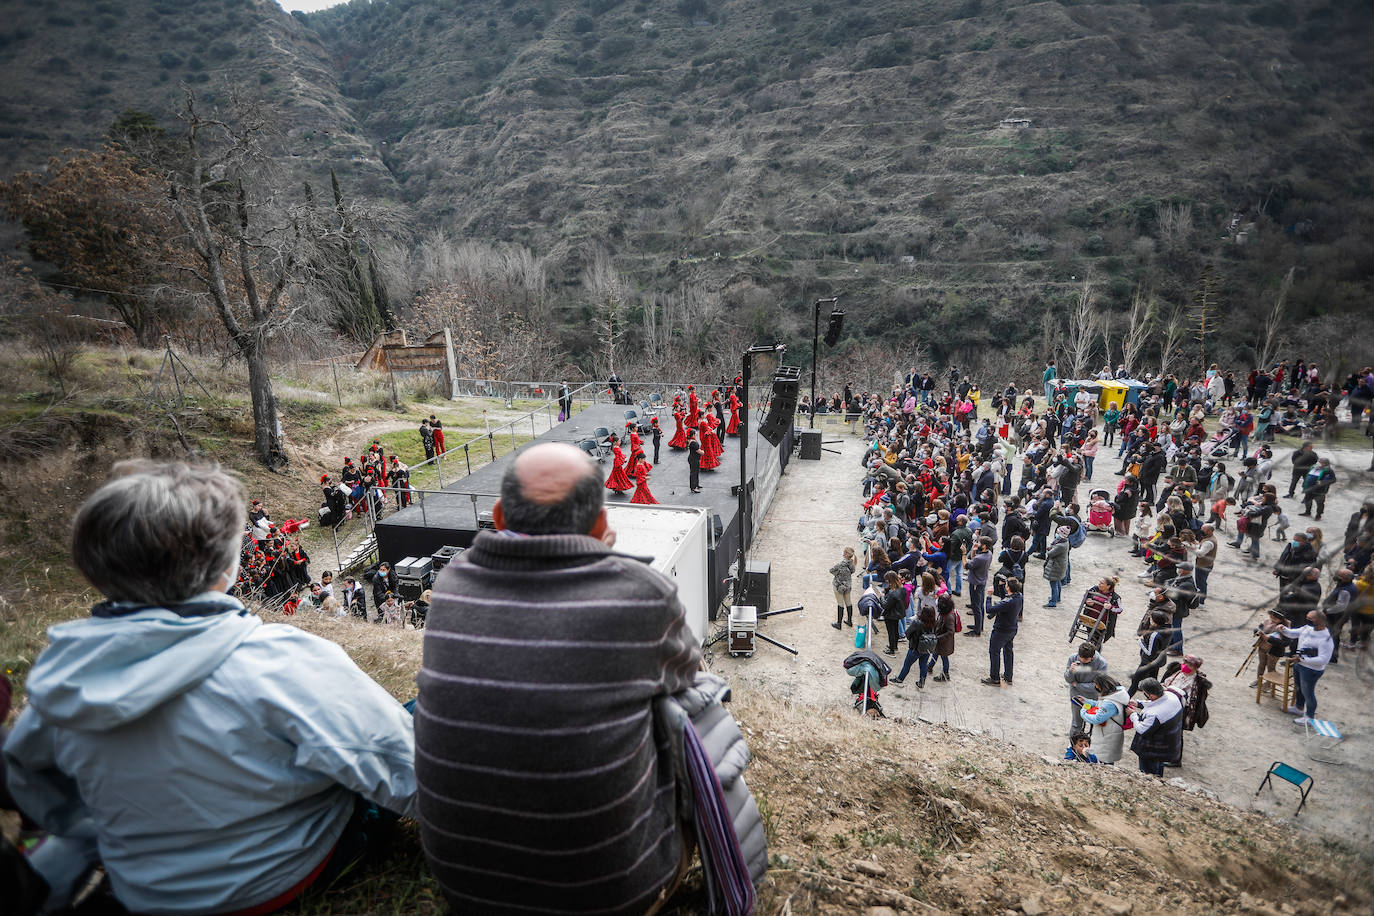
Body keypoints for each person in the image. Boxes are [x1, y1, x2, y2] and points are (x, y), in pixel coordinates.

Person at [3, 461, 417, 915]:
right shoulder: (279, 658)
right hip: (276, 880)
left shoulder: (62, 678)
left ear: (94, 568)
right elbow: (408, 769)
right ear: (226, 567)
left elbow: (32, 782)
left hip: (145, 891)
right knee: (420, 711)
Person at [416, 443, 705, 915]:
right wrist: (607, 561)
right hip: (612, 896)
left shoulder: (450, 585)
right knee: (682, 709)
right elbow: (688, 674)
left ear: (498, 516)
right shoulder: (642, 594)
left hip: (466, 888)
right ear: (601, 525)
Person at [1280, 608, 1334, 725]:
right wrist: (1284, 630)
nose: (1307, 620)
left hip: (1311, 670)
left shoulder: (1325, 639)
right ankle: (1299, 708)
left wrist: (1303, 659)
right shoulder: (1307, 628)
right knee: (1299, 688)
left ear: (1320, 621)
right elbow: (1293, 633)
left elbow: (1324, 659)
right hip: (1299, 664)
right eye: (1307, 617)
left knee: (1308, 693)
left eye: (1310, 619)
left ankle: (1309, 717)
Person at [1128, 678, 1184, 776]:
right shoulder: (1172, 696)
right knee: (1159, 765)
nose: (1145, 696)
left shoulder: (1154, 715)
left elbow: (1142, 730)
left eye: (1145, 693)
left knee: (1148, 772)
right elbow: (1158, 703)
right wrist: (1139, 704)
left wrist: (1133, 715)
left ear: (1152, 695)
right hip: (1167, 745)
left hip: (1152, 750)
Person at [1078, 674, 1131, 765]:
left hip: (1107, 737)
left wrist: (1083, 712)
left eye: (1096, 685)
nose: (1095, 687)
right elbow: (1101, 704)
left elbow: (1097, 719)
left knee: (1104, 763)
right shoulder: (1116, 695)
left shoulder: (1110, 703)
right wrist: (1087, 701)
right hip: (1109, 733)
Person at [982, 578, 1022, 686]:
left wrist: (989, 596)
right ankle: (1008, 676)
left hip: (1001, 631)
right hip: (1012, 629)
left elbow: (989, 610)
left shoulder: (1007, 603)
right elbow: (1007, 597)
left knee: (994, 652)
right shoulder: (1019, 596)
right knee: (1008, 652)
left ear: (1008, 587)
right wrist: (1000, 586)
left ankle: (994, 678)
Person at [1063, 642, 1107, 738]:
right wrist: (1070, 671)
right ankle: (1073, 746)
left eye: (1085, 659)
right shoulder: (1073, 658)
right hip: (1076, 697)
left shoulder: (1101, 664)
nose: (1082, 661)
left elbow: (1097, 687)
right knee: (1076, 723)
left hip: (1091, 699)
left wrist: (1077, 685)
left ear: (1092, 656)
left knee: (1094, 723)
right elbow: (1068, 680)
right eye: (1080, 657)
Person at [1042, 525, 1071, 608]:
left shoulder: (1060, 546)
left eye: (1058, 532)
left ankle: (1053, 602)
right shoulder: (1064, 542)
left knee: (1053, 583)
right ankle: (1057, 598)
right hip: (1060, 565)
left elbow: (1050, 554)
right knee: (1057, 582)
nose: (1056, 533)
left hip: (1056, 566)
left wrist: (1050, 549)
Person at [830, 546, 857, 629]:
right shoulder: (851, 563)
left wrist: (838, 574)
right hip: (848, 585)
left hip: (839, 586)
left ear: (845, 554)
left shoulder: (841, 564)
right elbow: (852, 571)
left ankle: (839, 623)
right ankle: (849, 621)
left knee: (840, 604)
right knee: (848, 603)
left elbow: (831, 570)